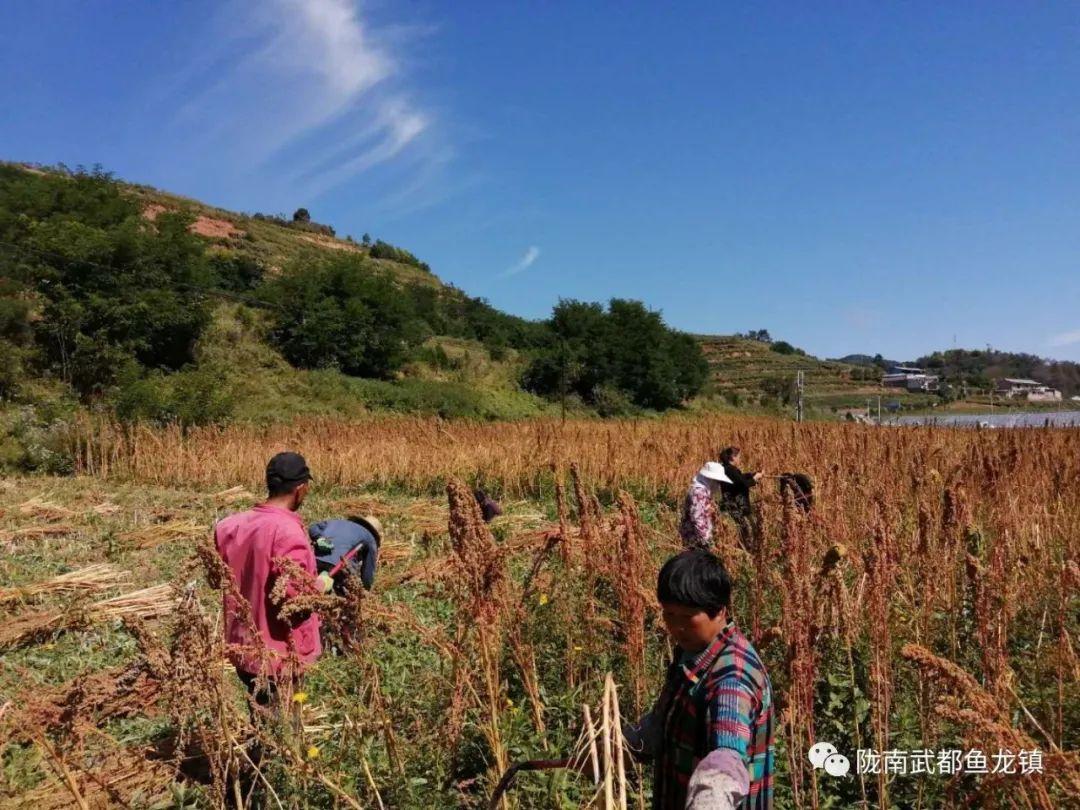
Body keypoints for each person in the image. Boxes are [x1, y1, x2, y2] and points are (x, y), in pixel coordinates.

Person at [625, 550, 775, 809]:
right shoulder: (695, 652)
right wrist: (623, 745)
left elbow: (728, 753)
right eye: (669, 614)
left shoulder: (732, 679)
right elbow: (667, 721)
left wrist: (711, 795)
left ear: (719, 611)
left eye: (687, 617)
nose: (676, 627)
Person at [213, 452, 330, 706]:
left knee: (261, 717)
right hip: (279, 656)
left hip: (243, 649)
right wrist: (321, 584)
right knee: (283, 728)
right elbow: (297, 602)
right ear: (300, 489)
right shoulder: (288, 532)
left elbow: (216, 579)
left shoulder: (228, 526)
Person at [308, 515, 383, 593]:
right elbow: (367, 576)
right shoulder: (370, 538)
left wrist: (319, 537)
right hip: (340, 566)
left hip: (316, 559)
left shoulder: (336, 522)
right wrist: (364, 593)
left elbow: (313, 527)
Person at [678, 461, 732, 550]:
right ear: (711, 479)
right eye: (717, 481)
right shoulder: (699, 493)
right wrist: (706, 541)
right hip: (695, 539)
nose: (718, 484)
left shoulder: (701, 490)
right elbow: (697, 518)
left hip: (695, 536)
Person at [718, 447, 763, 552]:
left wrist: (752, 474)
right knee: (747, 529)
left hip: (734, 504)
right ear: (733, 457)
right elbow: (743, 484)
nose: (740, 459)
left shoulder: (727, 468)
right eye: (738, 457)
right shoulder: (730, 470)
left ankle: (746, 549)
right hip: (737, 505)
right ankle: (747, 550)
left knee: (747, 528)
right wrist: (755, 478)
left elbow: (740, 478)